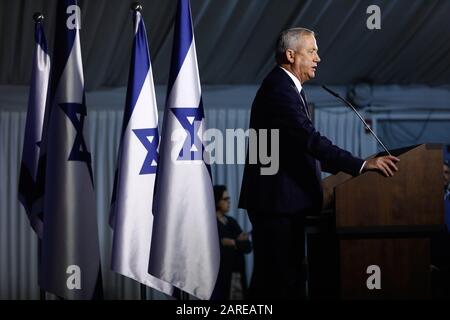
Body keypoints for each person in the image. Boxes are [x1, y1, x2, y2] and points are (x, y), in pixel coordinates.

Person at [238, 27, 400, 299]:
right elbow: (308, 140)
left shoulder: (287, 87)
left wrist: (352, 166)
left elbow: (296, 149)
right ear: (290, 55)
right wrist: (359, 166)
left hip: (279, 203)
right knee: (277, 284)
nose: (318, 58)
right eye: (311, 51)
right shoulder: (280, 87)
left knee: (277, 281)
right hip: (277, 204)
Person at [212, 185, 252, 300]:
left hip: (237, 274)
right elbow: (217, 248)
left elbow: (248, 246)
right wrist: (236, 242)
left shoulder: (231, 222)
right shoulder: (212, 224)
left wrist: (232, 243)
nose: (229, 202)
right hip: (221, 276)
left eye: (229, 199)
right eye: (225, 199)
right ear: (217, 200)